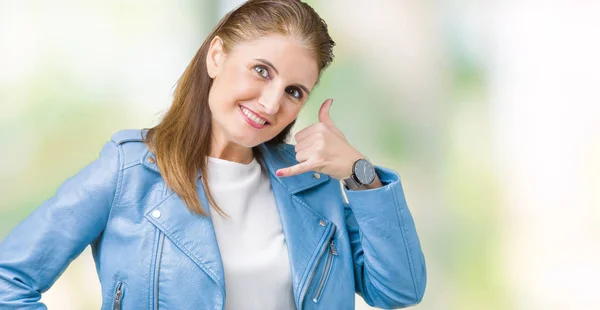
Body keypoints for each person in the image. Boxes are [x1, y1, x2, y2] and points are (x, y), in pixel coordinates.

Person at [0, 0, 426, 309]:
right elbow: (10, 280)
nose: (271, 103)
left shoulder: (312, 185)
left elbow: (398, 290)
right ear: (217, 55)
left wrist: (359, 174)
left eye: (294, 91)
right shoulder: (129, 173)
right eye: (262, 71)